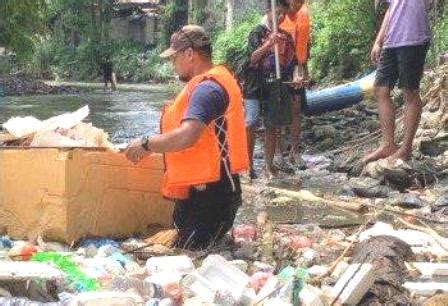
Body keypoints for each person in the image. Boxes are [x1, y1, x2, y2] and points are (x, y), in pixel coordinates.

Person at [124, 25, 249, 249]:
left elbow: (187, 136)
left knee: (187, 252)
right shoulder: (217, 80)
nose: (174, 65)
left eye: (175, 58)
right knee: (180, 245)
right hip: (206, 192)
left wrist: (146, 144)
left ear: (189, 54)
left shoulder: (207, 89)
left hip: (211, 198)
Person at [364, 0, 431, 163]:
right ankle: (388, 144)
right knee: (380, 90)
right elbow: (390, 10)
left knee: (410, 92)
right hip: (391, 41)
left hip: (413, 38)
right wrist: (379, 41)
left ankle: (406, 149)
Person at [241, 0, 297, 179]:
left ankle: (268, 166)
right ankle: (247, 166)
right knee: (250, 121)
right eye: (277, 12)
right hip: (254, 84)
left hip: (274, 85)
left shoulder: (286, 37)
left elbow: (292, 64)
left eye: (283, 14)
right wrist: (268, 44)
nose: (280, 17)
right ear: (269, 11)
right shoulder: (257, 32)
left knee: (272, 125)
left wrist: (297, 77)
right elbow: (253, 58)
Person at [279, 0, 310, 166]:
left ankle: (295, 151)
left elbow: (305, 45)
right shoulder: (278, 13)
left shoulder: (303, 14)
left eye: (301, 2)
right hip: (279, 67)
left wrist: (303, 71)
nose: (298, 5)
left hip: (296, 66)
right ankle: (278, 152)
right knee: (279, 109)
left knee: (296, 108)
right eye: (296, 2)